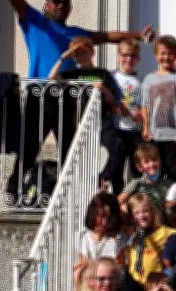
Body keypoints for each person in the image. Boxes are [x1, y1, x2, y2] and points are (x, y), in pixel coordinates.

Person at [0, 0, 151, 201]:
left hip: (67, 98)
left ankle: (69, 194)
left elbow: (106, 36)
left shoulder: (76, 33)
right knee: (30, 146)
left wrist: (136, 34)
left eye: (64, 3)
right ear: (46, 3)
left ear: (69, 8)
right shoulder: (35, 21)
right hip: (41, 94)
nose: (60, 6)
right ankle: (13, 190)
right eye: (55, 1)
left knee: (69, 149)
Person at [49, 38, 123, 192]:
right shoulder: (72, 74)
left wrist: (104, 89)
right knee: (73, 156)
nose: (80, 56)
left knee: (116, 146)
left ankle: (102, 180)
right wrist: (64, 56)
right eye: (76, 54)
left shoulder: (103, 74)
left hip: (101, 122)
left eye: (83, 52)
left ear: (92, 52)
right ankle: (74, 189)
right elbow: (52, 78)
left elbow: (113, 101)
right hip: (77, 123)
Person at [140, 35, 176, 181]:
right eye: (162, 53)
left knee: (174, 172)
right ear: (156, 55)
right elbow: (144, 106)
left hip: (174, 135)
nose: (166, 57)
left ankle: (173, 202)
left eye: (170, 53)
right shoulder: (149, 79)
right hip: (154, 135)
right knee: (155, 173)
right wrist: (145, 127)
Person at [124, 194, 176, 291]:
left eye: (145, 211)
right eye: (136, 213)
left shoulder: (163, 232)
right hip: (134, 283)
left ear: (153, 212)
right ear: (131, 216)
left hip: (154, 284)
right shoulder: (129, 233)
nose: (141, 216)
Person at [108, 39, 146, 194]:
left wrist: (141, 115)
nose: (128, 59)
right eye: (125, 55)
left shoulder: (141, 80)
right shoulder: (111, 76)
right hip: (115, 128)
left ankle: (137, 200)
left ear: (138, 59)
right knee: (116, 168)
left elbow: (144, 106)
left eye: (133, 56)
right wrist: (113, 105)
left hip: (133, 130)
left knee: (137, 167)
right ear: (118, 56)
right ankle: (118, 200)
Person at [74, 193, 126, 291]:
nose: (105, 222)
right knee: (77, 273)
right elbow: (83, 263)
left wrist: (95, 265)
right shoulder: (83, 235)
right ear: (93, 214)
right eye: (101, 217)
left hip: (110, 279)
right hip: (91, 277)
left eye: (109, 217)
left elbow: (118, 265)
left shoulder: (118, 237)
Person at [118, 143, 174, 214]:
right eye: (146, 161)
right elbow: (119, 201)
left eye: (154, 160)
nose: (151, 164)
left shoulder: (168, 184)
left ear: (159, 162)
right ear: (139, 167)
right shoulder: (136, 183)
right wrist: (132, 213)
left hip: (160, 220)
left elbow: (171, 204)